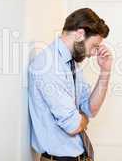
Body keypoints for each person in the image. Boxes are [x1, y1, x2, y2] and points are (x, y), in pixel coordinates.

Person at [28, 8, 112, 161]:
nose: (94, 53)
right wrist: (82, 119)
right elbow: (73, 126)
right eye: (94, 45)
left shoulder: (71, 64)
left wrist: (105, 71)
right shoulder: (49, 65)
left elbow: (90, 109)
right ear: (80, 34)